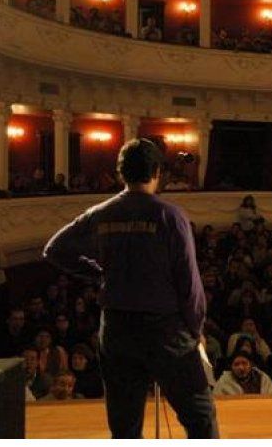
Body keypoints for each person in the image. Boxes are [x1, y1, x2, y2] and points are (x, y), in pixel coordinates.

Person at [42, 138, 218, 438]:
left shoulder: (101, 213)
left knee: (125, 427)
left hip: (117, 330)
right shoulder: (170, 216)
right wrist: (195, 328)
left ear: (121, 172)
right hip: (166, 331)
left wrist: (98, 274)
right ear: (157, 172)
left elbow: (54, 249)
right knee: (200, 418)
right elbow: (189, 284)